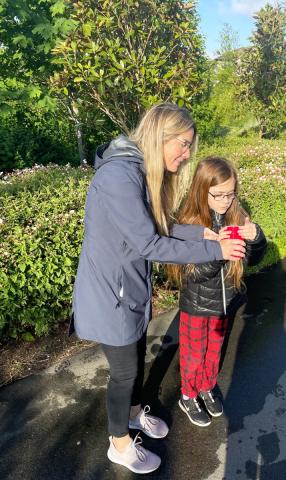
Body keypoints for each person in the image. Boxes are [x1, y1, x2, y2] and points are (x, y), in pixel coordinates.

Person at [71, 104, 245, 474]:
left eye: (189, 147)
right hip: (109, 294)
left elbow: (160, 224)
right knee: (124, 373)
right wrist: (216, 247)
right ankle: (119, 443)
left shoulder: (138, 170)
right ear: (160, 134)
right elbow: (148, 244)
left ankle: (134, 415)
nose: (186, 156)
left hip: (127, 289)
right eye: (183, 145)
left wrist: (201, 232)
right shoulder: (120, 176)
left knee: (133, 363)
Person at [170, 156, 266, 428]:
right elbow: (190, 273)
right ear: (202, 190)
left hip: (225, 302)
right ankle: (188, 395)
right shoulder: (189, 222)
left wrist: (256, 237)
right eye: (219, 195)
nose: (226, 200)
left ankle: (206, 386)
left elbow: (253, 258)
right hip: (197, 305)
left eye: (231, 193)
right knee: (193, 355)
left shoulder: (236, 213)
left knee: (214, 352)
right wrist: (219, 253)